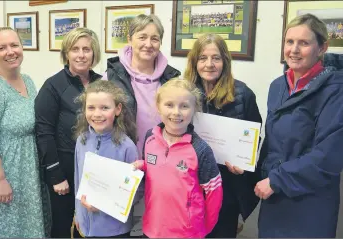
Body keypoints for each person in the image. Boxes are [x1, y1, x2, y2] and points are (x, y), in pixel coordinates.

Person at [256, 14, 343, 238]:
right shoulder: (277, 86)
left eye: (304, 43)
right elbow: (271, 143)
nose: (294, 50)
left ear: (322, 48)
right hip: (273, 197)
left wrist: (276, 180)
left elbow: (328, 157)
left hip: (309, 202)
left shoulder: (338, 91)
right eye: (289, 42)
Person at [184, 33, 262, 238]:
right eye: (202, 58)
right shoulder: (183, 92)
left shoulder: (243, 94)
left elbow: (254, 139)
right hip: (190, 183)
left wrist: (243, 164)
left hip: (226, 186)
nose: (209, 64)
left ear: (225, 62)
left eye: (216, 58)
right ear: (194, 62)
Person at [133, 78, 223, 238]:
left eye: (184, 106)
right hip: (152, 228)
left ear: (194, 109)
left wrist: (204, 229)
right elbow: (155, 171)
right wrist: (143, 165)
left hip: (187, 232)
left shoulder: (200, 150)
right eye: (169, 105)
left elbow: (214, 192)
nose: (176, 112)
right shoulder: (150, 138)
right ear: (158, 107)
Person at [35, 27, 102, 238]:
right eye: (75, 49)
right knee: (62, 226)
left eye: (87, 49)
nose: (81, 54)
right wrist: (56, 176)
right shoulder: (53, 86)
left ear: (94, 53)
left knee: (91, 223)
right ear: (66, 53)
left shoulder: (102, 83)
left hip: (94, 166)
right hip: (64, 167)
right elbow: (43, 132)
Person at [0, 27, 50, 238]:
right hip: (6, 172)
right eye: (1, 48)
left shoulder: (29, 81)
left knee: (30, 228)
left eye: (14, 45)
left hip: (29, 171)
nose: (10, 51)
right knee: (9, 229)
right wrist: (0, 180)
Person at [103, 14, 181, 158]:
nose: (148, 44)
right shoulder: (112, 77)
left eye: (155, 39)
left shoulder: (172, 80)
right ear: (129, 39)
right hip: (121, 159)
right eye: (142, 37)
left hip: (161, 161)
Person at [73, 80, 143, 238]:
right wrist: (78, 212)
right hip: (86, 226)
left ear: (117, 109)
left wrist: (105, 204)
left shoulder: (127, 147)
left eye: (105, 108)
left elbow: (136, 191)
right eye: (91, 107)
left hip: (115, 229)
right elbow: (78, 179)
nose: (97, 114)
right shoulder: (82, 140)